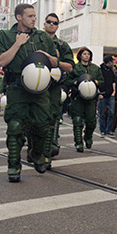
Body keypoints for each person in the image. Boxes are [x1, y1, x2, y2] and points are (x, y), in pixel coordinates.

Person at [0, 4, 59, 182]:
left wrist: (45, 54)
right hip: (17, 87)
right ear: (19, 17)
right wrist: (17, 43)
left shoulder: (42, 37)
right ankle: (13, 167)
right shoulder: (5, 36)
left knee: (42, 125)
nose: (33, 19)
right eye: (29, 16)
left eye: (34, 16)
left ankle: (36, 154)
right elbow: (2, 61)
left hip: (41, 88)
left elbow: (55, 62)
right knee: (15, 127)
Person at [43, 13, 74, 160]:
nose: (51, 24)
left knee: (53, 117)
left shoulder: (62, 45)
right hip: (35, 86)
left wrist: (55, 62)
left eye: (54, 23)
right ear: (44, 24)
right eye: (49, 22)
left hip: (54, 87)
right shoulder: (35, 41)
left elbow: (70, 67)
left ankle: (50, 147)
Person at [66, 47, 103, 152]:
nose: (87, 56)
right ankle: (78, 142)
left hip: (91, 98)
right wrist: (74, 82)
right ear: (80, 56)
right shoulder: (75, 68)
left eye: (88, 54)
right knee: (77, 121)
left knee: (91, 121)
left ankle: (88, 137)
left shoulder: (95, 68)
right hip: (78, 98)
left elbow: (102, 81)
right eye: (84, 54)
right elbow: (67, 81)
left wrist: (97, 82)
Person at [98, 55, 116, 135]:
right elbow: (97, 82)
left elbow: (113, 81)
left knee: (111, 112)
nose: (113, 63)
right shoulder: (100, 70)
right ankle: (102, 130)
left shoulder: (111, 71)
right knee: (102, 113)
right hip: (102, 94)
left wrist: (114, 92)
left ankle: (109, 129)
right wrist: (98, 93)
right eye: (112, 61)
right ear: (108, 62)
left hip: (110, 94)